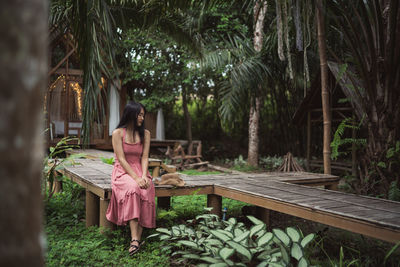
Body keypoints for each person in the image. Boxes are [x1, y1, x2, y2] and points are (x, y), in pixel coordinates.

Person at [106, 101, 155, 256]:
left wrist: (143, 176)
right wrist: (135, 178)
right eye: (139, 114)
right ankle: (134, 239)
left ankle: (136, 240)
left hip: (140, 169)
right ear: (131, 114)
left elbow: (145, 157)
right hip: (122, 171)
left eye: (143, 115)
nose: (142, 118)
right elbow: (121, 158)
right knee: (134, 188)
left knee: (146, 190)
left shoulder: (145, 134)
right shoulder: (118, 133)